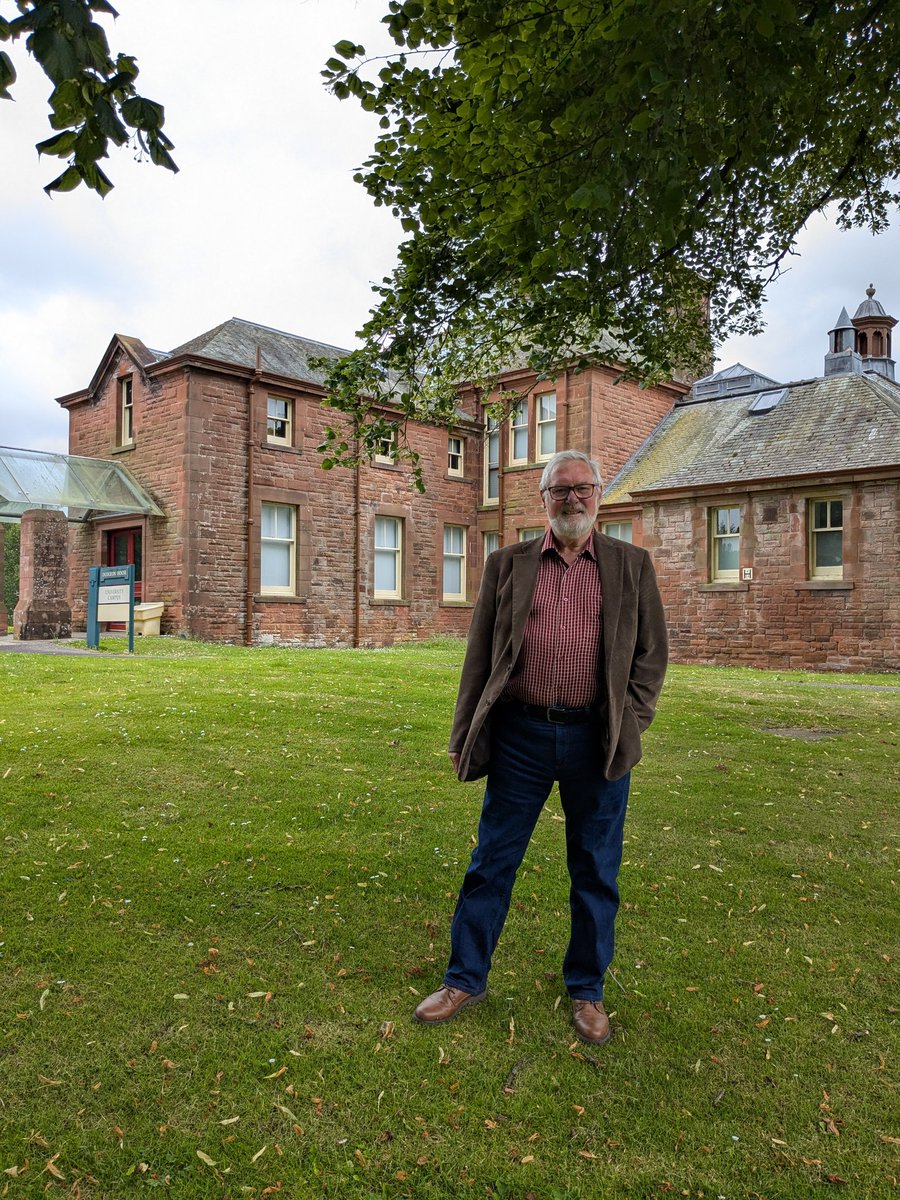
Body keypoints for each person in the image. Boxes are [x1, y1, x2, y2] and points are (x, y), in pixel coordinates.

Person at [413, 449, 668, 1043]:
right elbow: (479, 655)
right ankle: (463, 978)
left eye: (582, 489)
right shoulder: (507, 564)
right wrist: (463, 732)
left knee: (595, 870)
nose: (572, 499)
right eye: (560, 490)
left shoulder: (631, 565)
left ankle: (587, 989)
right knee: (492, 862)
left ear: (598, 494)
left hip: (597, 740)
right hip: (520, 738)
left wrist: (630, 721)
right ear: (544, 498)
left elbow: (651, 655)